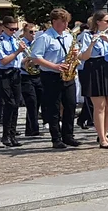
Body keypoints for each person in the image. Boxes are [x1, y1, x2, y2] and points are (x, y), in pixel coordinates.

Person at [28, 9, 81, 149]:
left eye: (66, 22)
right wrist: (55, 66)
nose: (64, 25)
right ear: (53, 22)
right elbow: (35, 58)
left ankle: (68, 135)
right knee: (54, 107)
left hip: (68, 74)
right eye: (61, 22)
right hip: (51, 75)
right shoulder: (45, 37)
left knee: (70, 105)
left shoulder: (68, 36)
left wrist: (76, 54)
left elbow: (73, 52)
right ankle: (56, 138)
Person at [78, 10, 108, 148]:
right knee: (100, 107)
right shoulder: (86, 35)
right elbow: (84, 57)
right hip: (93, 68)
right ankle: (103, 138)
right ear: (98, 22)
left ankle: (103, 132)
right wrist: (92, 43)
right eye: (107, 21)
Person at [0, 16, 25, 148]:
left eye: (16, 29)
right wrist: (18, 51)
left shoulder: (16, 40)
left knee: (15, 105)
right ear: (3, 28)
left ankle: (12, 135)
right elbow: (3, 61)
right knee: (9, 103)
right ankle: (5, 135)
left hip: (15, 73)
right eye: (11, 29)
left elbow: (19, 60)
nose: (14, 32)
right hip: (3, 74)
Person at [19, 24, 43, 138]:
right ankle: (34, 128)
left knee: (37, 101)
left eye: (34, 32)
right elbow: (17, 62)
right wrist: (29, 58)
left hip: (37, 74)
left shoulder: (37, 43)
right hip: (24, 75)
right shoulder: (20, 43)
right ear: (24, 32)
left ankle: (30, 128)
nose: (33, 34)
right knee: (31, 101)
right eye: (31, 32)